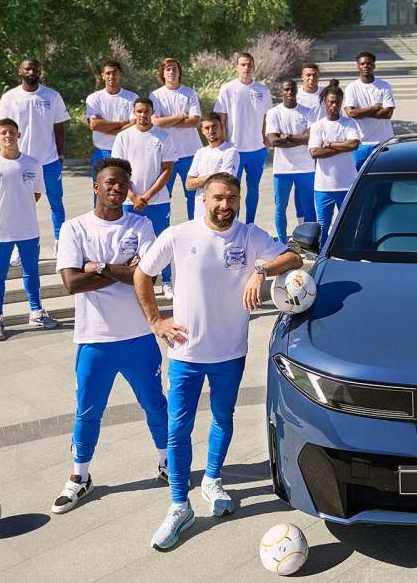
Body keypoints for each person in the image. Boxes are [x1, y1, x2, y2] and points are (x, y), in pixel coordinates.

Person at [136, 172, 303, 550]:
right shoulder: (178, 235)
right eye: (218, 198)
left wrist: (261, 270)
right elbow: (142, 274)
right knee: (178, 429)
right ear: (204, 200)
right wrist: (155, 321)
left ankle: (212, 480)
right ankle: (179, 505)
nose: (225, 205)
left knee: (223, 418)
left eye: (232, 198)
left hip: (230, 352)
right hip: (186, 353)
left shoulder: (249, 235)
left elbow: (294, 257)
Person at [51, 157, 169, 514]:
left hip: (138, 336)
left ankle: (167, 462)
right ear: (96, 186)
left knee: (155, 404)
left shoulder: (141, 224)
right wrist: (126, 271)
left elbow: (147, 277)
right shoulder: (74, 228)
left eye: (123, 183)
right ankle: (80, 476)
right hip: (94, 339)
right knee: (88, 411)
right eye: (110, 182)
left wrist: (100, 267)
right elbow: (72, 282)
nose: (117, 188)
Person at [0, 119, 61, 341]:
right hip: (1, 232)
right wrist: (0, 215)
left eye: (12, 132)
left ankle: (36, 312)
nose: (8, 136)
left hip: (28, 229)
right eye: (3, 133)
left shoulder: (32, 164)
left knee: (31, 271)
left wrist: (21, 210)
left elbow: (36, 194)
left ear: (18, 135)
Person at [0, 58, 70, 250]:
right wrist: (4, 158)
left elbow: (59, 127)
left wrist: (61, 155)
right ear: (20, 72)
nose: (32, 72)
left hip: (49, 161)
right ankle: (19, 247)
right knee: (20, 205)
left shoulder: (52, 96)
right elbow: (2, 130)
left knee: (56, 203)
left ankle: (61, 243)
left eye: (35, 69)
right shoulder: (10, 98)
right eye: (27, 69)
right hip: (20, 162)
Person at [112, 98, 177, 296]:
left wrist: (147, 196)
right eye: (139, 111)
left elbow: (167, 169)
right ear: (134, 112)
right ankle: (130, 282)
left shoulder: (163, 136)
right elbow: (118, 171)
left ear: (152, 112)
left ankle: (167, 281)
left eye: (146, 111)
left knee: (163, 240)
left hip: (158, 201)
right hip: (129, 201)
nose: (143, 115)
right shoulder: (123, 137)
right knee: (128, 242)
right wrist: (133, 196)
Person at [213, 52, 272, 224]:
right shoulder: (227, 89)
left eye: (249, 65)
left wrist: (266, 141)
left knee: (253, 189)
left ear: (254, 67)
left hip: (257, 151)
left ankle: (250, 224)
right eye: (243, 65)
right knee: (231, 191)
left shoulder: (263, 90)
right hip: (234, 150)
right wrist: (224, 146)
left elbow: (267, 118)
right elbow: (221, 119)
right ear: (236, 67)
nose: (246, 68)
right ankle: (234, 224)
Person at [309, 80, 362, 245]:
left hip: (346, 184)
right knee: (322, 226)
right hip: (323, 187)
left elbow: (354, 144)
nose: (334, 105)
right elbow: (315, 152)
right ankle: (323, 255)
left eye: (337, 102)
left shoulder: (349, 123)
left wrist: (329, 145)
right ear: (325, 102)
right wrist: (342, 147)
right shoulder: (318, 126)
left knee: (348, 224)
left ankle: (347, 253)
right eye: (331, 102)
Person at [150, 57, 203, 220]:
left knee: (193, 195)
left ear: (179, 72)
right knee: (164, 196)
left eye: (174, 69)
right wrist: (180, 116)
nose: (171, 72)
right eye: (168, 69)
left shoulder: (189, 93)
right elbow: (156, 122)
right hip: (167, 155)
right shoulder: (155, 95)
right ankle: (163, 229)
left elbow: (195, 121)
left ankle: (194, 228)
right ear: (162, 73)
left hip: (191, 153)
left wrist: (167, 121)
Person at [266, 79, 317, 243]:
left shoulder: (308, 112)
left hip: (305, 168)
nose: (290, 92)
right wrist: (299, 139)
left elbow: (310, 138)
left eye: (292, 89)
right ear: (281, 91)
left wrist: (286, 136)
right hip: (282, 169)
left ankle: (310, 243)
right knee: (280, 208)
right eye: (286, 89)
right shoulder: (274, 112)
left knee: (309, 208)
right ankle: (282, 243)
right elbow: (273, 141)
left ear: (297, 91)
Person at [84, 60, 138, 182]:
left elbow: (134, 125)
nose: (111, 76)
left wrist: (105, 127)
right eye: (108, 73)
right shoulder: (94, 98)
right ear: (102, 75)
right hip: (102, 151)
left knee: (126, 188)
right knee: (101, 189)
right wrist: (122, 123)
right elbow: (94, 125)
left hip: (126, 152)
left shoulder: (132, 98)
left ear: (120, 74)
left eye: (115, 73)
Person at [343, 51, 395, 169]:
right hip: (361, 144)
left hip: (384, 142)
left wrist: (360, 113)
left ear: (374, 66)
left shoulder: (384, 86)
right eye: (362, 64)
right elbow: (350, 113)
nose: (365, 66)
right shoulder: (351, 88)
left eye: (369, 63)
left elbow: (388, 113)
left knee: (384, 175)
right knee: (358, 176)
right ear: (358, 66)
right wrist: (374, 108)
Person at [186, 113, 240, 220]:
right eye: (207, 128)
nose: (211, 130)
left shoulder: (231, 151)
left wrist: (199, 180)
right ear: (202, 131)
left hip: (222, 210)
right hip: (200, 210)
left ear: (221, 127)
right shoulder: (200, 152)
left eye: (214, 126)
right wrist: (213, 176)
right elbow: (188, 184)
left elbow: (224, 181)